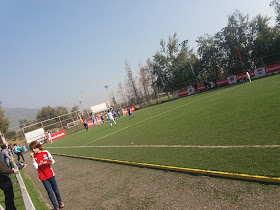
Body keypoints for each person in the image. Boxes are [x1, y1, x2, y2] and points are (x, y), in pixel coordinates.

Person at [29, 141, 64, 210]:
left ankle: (60, 202)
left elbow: (52, 161)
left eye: (34, 148)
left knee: (56, 190)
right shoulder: (35, 157)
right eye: (32, 149)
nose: (33, 150)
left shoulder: (46, 152)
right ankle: (55, 206)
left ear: (38, 147)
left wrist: (49, 160)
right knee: (50, 192)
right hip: (43, 177)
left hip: (51, 174)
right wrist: (33, 158)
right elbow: (36, 167)